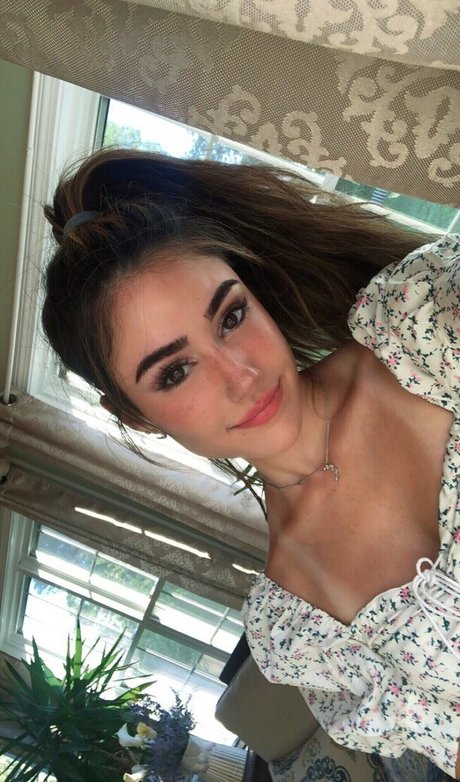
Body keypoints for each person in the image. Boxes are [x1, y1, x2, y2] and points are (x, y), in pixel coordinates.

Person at [42, 148, 459, 779]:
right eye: (175, 371)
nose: (242, 375)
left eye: (231, 316)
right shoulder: (297, 630)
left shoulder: (421, 322)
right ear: (139, 417)